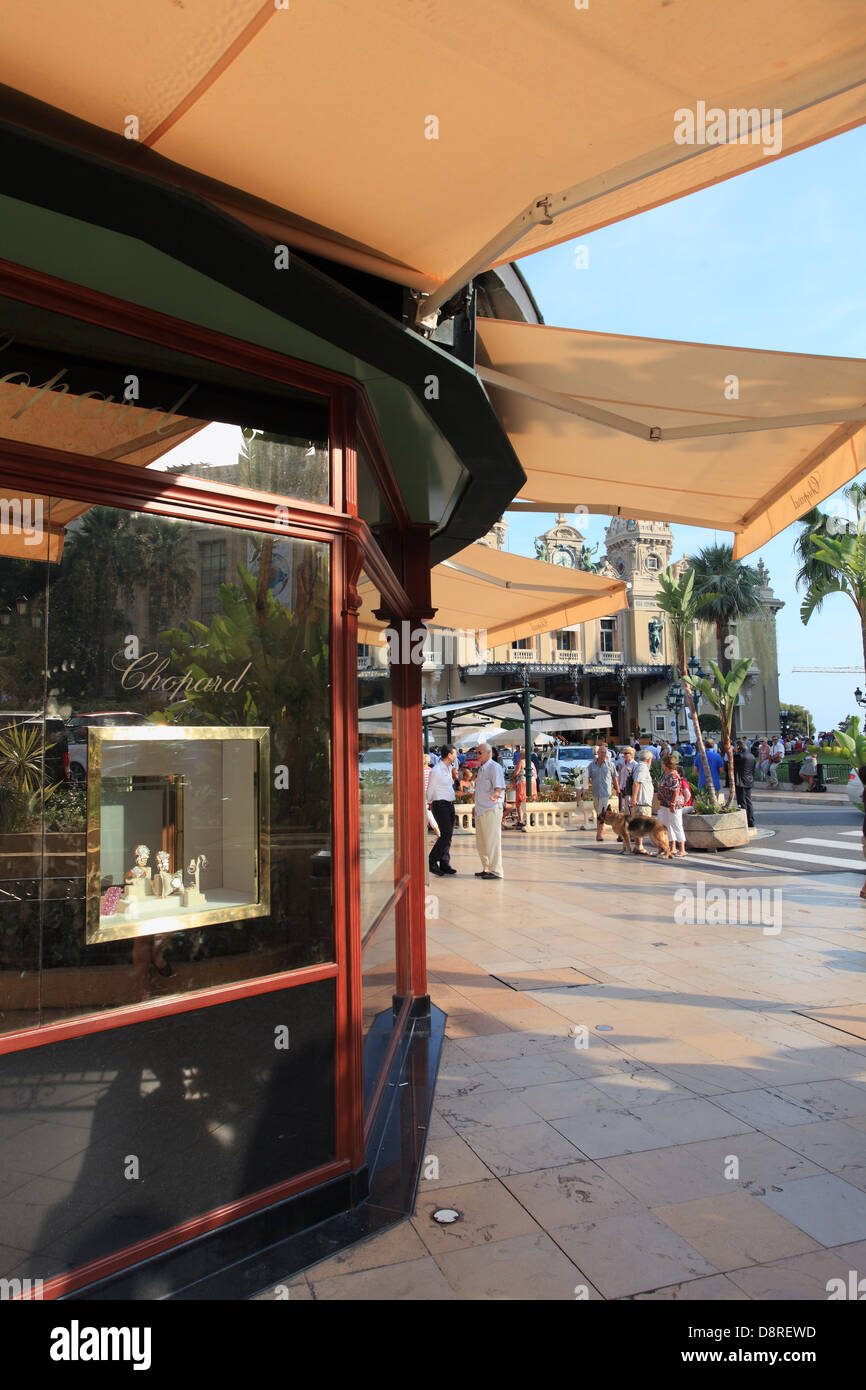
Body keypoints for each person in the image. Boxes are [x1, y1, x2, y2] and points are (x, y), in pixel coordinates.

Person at [473, 742, 505, 879]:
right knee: (482, 842)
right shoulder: (481, 769)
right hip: (481, 809)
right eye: (476, 752)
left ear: (488, 753)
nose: (477, 755)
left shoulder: (494, 767)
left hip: (491, 808)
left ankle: (496, 870)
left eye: (480, 752)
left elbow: (499, 786)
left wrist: (497, 794)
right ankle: (487, 867)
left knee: (492, 841)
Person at [427, 745, 458, 875]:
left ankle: (444, 863)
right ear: (449, 755)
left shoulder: (449, 768)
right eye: (455, 754)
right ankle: (431, 861)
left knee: (448, 835)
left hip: (449, 804)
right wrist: (429, 802)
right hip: (440, 804)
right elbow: (431, 787)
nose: (456, 756)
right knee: (444, 835)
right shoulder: (437, 770)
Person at [657, 753, 687, 857]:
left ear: (666, 764)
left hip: (673, 805)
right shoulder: (667, 775)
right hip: (665, 804)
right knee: (667, 825)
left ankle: (682, 849)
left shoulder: (673, 776)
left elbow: (676, 791)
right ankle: (672, 847)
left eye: (663, 763)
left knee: (676, 824)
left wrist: (673, 804)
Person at [589, 742, 617, 842]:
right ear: (598, 753)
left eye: (604, 752)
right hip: (595, 792)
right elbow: (586, 777)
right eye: (601, 752)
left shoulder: (610, 765)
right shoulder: (592, 765)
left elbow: (614, 777)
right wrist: (582, 789)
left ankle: (599, 832)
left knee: (601, 812)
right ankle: (602, 828)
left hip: (605, 792)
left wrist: (617, 789)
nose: (602, 754)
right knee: (598, 812)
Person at [629, 749, 655, 854]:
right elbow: (636, 783)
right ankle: (639, 846)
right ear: (649, 759)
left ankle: (637, 845)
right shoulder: (642, 768)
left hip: (640, 801)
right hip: (642, 801)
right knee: (642, 824)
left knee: (638, 824)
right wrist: (634, 799)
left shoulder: (637, 766)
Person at [733, 739, 756, 828]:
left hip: (741, 781)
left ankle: (744, 821)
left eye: (735, 746)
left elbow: (730, 763)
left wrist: (734, 753)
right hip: (749, 780)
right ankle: (751, 821)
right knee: (748, 801)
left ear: (738, 747)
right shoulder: (751, 756)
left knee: (742, 802)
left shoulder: (739, 756)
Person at [513, 748, 537, 829]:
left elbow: (515, 773)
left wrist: (514, 777)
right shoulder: (532, 763)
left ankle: (521, 820)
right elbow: (536, 776)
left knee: (520, 800)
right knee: (531, 800)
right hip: (533, 783)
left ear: (522, 755)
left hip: (523, 783)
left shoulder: (521, 762)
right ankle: (531, 818)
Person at [422, 753, 440, 835]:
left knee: (428, 813)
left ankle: (438, 833)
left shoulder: (420, 770)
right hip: (430, 793)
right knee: (426, 813)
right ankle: (424, 833)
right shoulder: (431, 770)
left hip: (423, 794)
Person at [618, 745, 636, 814]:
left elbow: (636, 778)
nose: (624, 755)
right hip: (622, 788)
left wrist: (630, 771)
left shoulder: (634, 764)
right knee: (623, 807)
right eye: (623, 753)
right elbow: (621, 775)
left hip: (629, 788)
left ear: (631, 754)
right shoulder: (624, 763)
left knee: (629, 807)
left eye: (626, 753)